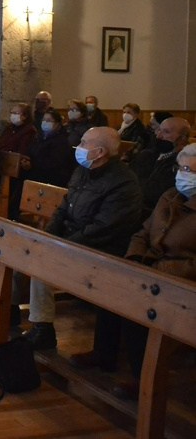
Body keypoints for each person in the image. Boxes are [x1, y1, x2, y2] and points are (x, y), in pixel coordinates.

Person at [23, 127, 143, 350]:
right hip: (73, 240)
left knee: (41, 261)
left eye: (84, 143)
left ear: (100, 152)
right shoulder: (82, 170)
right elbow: (64, 207)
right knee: (23, 249)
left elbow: (103, 228)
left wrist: (63, 246)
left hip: (101, 250)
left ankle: (43, 328)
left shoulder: (123, 183)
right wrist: (48, 236)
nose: (78, 147)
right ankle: (12, 312)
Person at [109, 144, 196, 399]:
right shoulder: (170, 196)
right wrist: (135, 260)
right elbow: (143, 232)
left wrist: (162, 270)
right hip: (153, 271)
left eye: (191, 170)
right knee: (114, 291)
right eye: (181, 168)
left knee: (143, 308)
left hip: (184, 282)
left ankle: (146, 379)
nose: (183, 174)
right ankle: (118, 362)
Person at [129, 117, 191, 215]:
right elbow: (127, 176)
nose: (159, 136)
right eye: (159, 130)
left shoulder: (183, 162)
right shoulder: (147, 154)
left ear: (181, 139)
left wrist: (133, 182)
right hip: (132, 205)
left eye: (166, 132)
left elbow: (158, 193)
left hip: (156, 212)